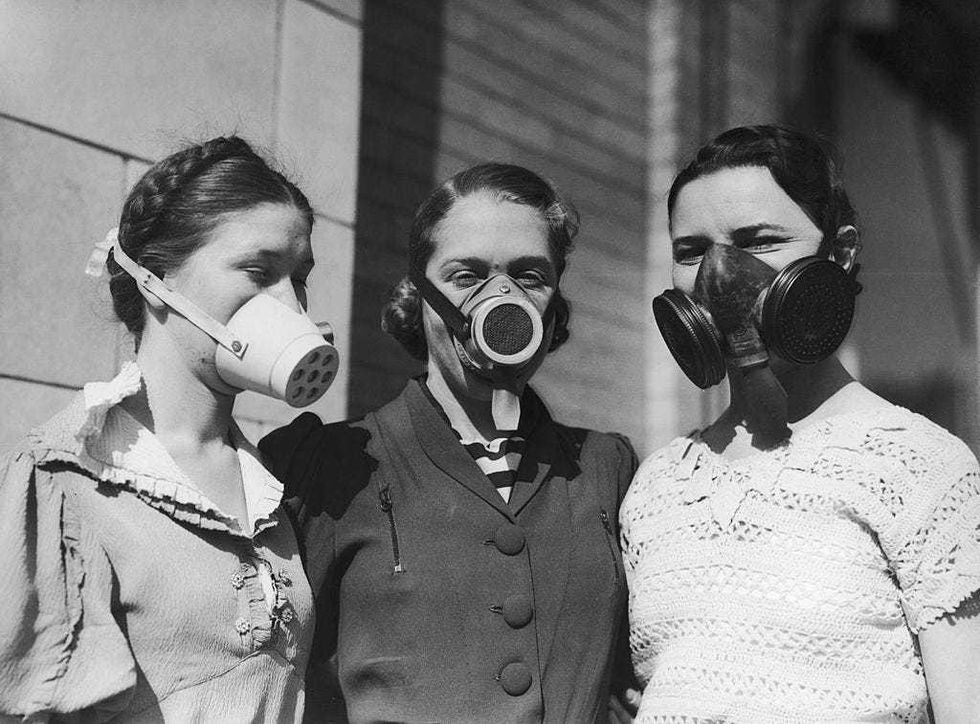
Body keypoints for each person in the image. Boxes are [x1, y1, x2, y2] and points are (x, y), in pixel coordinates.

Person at [621, 124, 980, 722]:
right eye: (691, 251)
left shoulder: (922, 468)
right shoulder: (655, 486)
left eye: (759, 241)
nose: (718, 274)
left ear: (839, 253)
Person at [260, 162, 639, 723]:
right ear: (419, 293)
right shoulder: (325, 467)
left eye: (530, 276)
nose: (501, 301)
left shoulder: (607, 469)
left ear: (555, 299)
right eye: (466, 276)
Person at [0, 136, 338, 721]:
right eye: (259, 272)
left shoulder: (273, 483)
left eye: (298, 278)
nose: (292, 307)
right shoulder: (65, 479)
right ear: (158, 280)